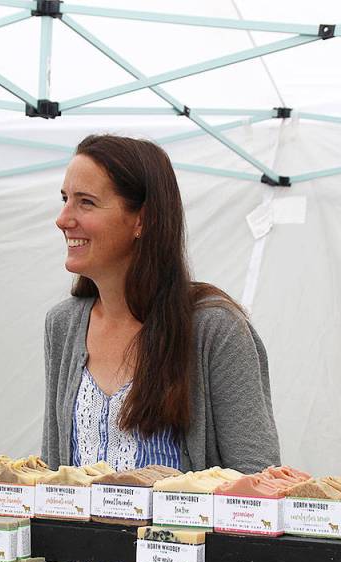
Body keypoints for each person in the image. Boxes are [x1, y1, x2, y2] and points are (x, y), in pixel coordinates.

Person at [42, 134, 281, 473]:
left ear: (142, 219)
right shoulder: (63, 325)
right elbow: (54, 473)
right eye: (65, 199)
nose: (63, 218)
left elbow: (257, 478)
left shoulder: (215, 329)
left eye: (86, 202)